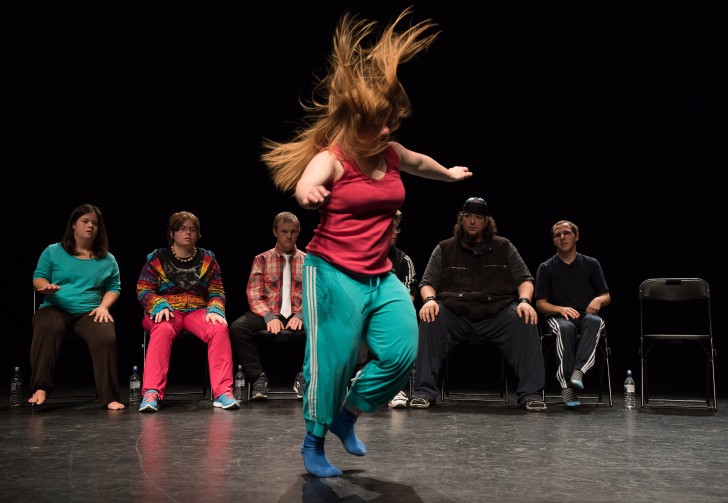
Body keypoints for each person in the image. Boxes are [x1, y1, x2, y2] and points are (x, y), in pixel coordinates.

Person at [261, 7, 472, 477]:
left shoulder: (390, 153)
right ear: (353, 123)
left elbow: (419, 162)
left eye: (388, 123)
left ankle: (347, 415)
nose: (385, 132)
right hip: (331, 273)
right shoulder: (333, 158)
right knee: (331, 362)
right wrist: (307, 192)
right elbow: (308, 179)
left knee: (401, 353)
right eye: (376, 125)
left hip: (380, 275)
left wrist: (449, 173)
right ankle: (314, 441)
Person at [409, 197, 546, 411]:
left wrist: (525, 301)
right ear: (461, 219)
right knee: (430, 318)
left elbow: (525, 280)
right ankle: (423, 392)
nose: (473, 221)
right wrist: (429, 300)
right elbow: (427, 283)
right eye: (468, 216)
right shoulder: (444, 247)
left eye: (478, 217)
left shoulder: (504, 246)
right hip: (455, 313)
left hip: (497, 313)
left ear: (486, 221)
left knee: (525, 319)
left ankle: (531, 393)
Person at [136, 210, 239, 412]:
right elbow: (144, 289)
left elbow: (217, 291)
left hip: (197, 311)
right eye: (183, 229)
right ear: (172, 233)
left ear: (198, 234)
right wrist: (158, 305)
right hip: (166, 311)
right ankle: (151, 393)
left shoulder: (208, 260)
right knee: (162, 329)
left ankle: (223, 392)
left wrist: (215, 309)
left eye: (192, 229)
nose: (188, 233)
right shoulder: (157, 258)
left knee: (218, 328)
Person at [29, 203, 124, 410]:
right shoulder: (53, 251)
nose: (90, 226)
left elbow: (114, 287)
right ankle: (40, 388)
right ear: (73, 224)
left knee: (105, 336)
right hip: (56, 308)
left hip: (90, 311)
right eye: (85, 221)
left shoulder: (107, 259)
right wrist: (46, 287)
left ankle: (109, 397)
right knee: (47, 326)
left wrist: (103, 307)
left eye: (94, 223)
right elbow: (39, 277)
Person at [229, 211, 306, 401]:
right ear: (275, 232)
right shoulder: (262, 259)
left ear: (299, 232)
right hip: (268, 312)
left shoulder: (308, 261)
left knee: (326, 328)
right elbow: (254, 293)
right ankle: (258, 377)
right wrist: (269, 316)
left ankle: (306, 376)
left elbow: (314, 294)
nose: (289, 236)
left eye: (293, 231)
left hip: (297, 313)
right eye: (284, 231)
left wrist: (301, 315)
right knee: (238, 328)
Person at [534, 220, 611, 408]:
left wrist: (598, 300)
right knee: (565, 328)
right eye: (557, 235)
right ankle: (566, 386)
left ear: (576, 236)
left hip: (585, 315)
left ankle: (579, 371)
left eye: (567, 233)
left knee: (595, 321)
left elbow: (606, 296)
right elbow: (540, 304)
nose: (562, 237)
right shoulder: (546, 267)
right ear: (553, 240)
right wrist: (560, 309)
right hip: (559, 317)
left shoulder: (591, 264)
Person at [354, 210, 418, 409]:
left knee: (399, 324)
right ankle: (363, 375)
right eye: (390, 228)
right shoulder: (360, 258)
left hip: (393, 317)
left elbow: (408, 299)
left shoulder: (403, 261)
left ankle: (393, 385)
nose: (395, 232)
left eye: (396, 228)